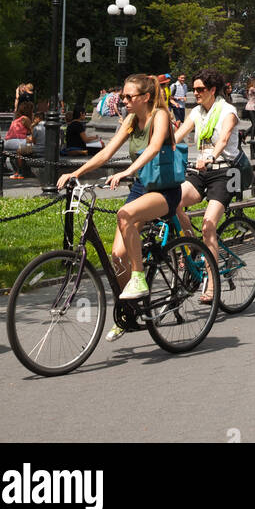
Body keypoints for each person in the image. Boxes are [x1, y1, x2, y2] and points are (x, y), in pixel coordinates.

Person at [57, 73, 185, 340]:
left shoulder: (159, 115)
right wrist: (75, 173)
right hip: (142, 187)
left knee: (124, 214)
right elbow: (106, 153)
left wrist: (128, 170)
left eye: (129, 96)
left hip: (164, 188)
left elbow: (153, 147)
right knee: (117, 256)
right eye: (123, 96)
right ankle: (130, 312)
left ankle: (139, 277)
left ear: (145, 97)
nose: (123, 100)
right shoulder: (129, 120)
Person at [175, 69, 241, 298]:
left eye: (200, 89)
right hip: (201, 170)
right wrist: (158, 149)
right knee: (171, 201)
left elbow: (224, 137)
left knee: (208, 225)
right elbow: (179, 134)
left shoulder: (228, 111)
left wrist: (212, 156)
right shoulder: (196, 112)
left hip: (225, 173)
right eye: (194, 89)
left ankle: (213, 284)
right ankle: (192, 243)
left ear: (213, 90)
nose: (196, 93)